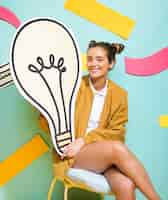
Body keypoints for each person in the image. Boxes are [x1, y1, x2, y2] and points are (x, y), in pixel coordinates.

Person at [39, 40, 160, 200]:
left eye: (99, 59)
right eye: (89, 59)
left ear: (111, 63)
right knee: (116, 149)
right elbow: (50, 123)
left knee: (126, 184)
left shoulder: (119, 94)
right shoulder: (74, 86)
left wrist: (85, 140)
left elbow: (117, 134)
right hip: (72, 155)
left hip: (103, 157)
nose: (93, 64)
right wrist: (43, 106)